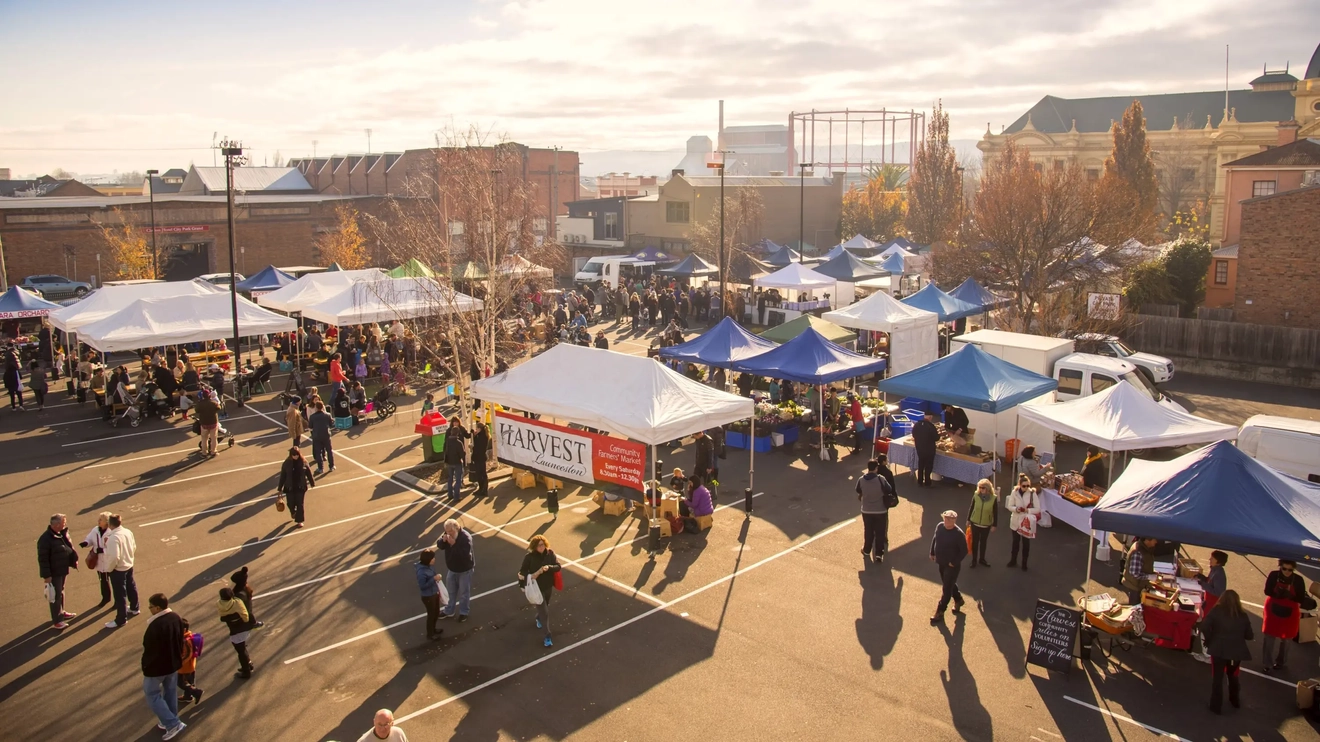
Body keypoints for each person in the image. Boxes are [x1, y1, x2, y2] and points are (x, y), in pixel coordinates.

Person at [141, 593, 187, 739]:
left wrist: (146, 666)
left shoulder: (155, 625)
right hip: (173, 663)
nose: (149, 609)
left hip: (157, 667)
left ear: (158, 608)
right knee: (170, 691)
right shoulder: (176, 617)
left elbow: (149, 648)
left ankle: (172, 723)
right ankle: (169, 718)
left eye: (151, 607)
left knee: (152, 694)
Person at [1201, 589, 1252, 714]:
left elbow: (1204, 626)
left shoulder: (1216, 611)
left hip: (1219, 649)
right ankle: (1235, 700)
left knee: (1217, 678)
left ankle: (1215, 706)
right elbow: (1249, 635)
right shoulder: (1242, 615)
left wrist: (1210, 638)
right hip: (1236, 651)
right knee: (1233, 675)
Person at [518, 535, 563, 648]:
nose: (541, 547)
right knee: (545, 612)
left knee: (545, 606)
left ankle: (538, 617)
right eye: (539, 545)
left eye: (543, 544)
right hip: (536, 588)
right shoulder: (529, 557)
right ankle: (547, 636)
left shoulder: (550, 553)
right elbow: (522, 571)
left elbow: (558, 566)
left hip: (548, 587)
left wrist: (549, 567)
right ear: (534, 546)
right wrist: (532, 576)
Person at [1262, 560, 1306, 672]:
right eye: (1284, 569)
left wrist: (1290, 596)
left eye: (1290, 570)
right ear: (1280, 567)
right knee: (1269, 638)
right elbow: (1267, 591)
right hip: (1272, 609)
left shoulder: (1298, 580)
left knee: (1286, 639)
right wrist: (1277, 594)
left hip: (1290, 612)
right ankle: (1267, 664)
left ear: (1293, 569)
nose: (1287, 572)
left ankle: (1281, 662)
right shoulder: (1273, 575)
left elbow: (1301, 598)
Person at [38, 513, 79, 630]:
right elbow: (43, 559)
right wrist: (46, 576)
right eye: (63, 523)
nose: (65, 524)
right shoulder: (45, 539)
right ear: (56, 525)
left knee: (60, 592)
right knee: (55, 596)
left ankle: (61, 612)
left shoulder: (61, 533)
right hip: (54, 572)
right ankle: (57, 620)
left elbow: (68, 547)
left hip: (62, 569)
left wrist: (73, 559)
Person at [929, 510, 968, 624]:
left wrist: (954, 562)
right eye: (945, 518)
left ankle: (940, 611)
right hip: (941, 562)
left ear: (954, 520)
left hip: (952, 566)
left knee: (946, 589)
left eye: (950, 519)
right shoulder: (940, 526)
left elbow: (964, 551)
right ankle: (959, 599)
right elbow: (935, 538)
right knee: (948, 584)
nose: (947, 520)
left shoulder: (959, 534)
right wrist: (932, 552)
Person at [103, 513, 139, 629]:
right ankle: (134, 608)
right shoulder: (128, 532)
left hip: (118, 570)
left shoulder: (113, 538)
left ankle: (121, 619)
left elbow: (114, 557)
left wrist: (108, 569)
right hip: (128, 565)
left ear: (110, 524)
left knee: (120, 594)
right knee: (131, 586)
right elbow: (133, 546)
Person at [436, 519, 475, 622]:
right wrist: (442, 540)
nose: (448, 534)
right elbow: (440, 545)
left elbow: (464, 555)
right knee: (451, 592)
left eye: (450, 532)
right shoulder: (448, 533)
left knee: (464, 593)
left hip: (464, 570)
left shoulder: (466, 538)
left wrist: (453, 545)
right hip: (452, 569)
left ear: (456, 528)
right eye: (446, 531)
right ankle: (449, 610)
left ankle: (464, 612)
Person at [856, 459, 893, 562]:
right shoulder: (881, 479)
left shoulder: (861, 479)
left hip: (866, 510)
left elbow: (858, 490)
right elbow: (889, 489)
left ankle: (867, 550)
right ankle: (879, 554)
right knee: (880, 532)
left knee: (868, 530)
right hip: (880, 510)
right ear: (876, 468)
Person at [217, 587, 255, 679]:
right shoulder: (237, 602)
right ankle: (247, 665)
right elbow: (245, 615)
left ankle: (246, 670)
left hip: (233, 629)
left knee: (240, 650)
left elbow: (222, 616)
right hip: (242, 627)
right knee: (241, 649)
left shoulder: (219, 604)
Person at [79, 511, 114, 608]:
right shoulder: (95, 529)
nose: (98, 521)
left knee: (114, 582)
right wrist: (86, 543)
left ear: (106, 522)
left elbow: (114, 548)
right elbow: (90, 539)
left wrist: (103, 550)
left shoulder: (111, 532)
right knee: (103, 580)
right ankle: (106, 598)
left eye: (101, 520)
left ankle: (117, 601)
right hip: (99, 561)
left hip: (109, 561)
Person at [1005, 474, 1040, 570]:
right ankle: (1013, 560)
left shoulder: (1032, 493)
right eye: (1024, 486)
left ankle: (1024, 563)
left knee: (1026, 544)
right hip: (1016, 521)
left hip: (1026, 522)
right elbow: (1009, 506)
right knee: (1015, 542)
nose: (1026, 488)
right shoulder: (1014, 493)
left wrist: (1027, 510)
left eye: (1028, 486)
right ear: (1020, 485)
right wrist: (1016, 509)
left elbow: (1037, 509)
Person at [277, 446, 316, 528]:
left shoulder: (303, 462)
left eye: (297, 455)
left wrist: (312, 482)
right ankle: (293, 512)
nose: (295, 456)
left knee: (300, 504)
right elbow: (283, 476)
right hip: (289, 486)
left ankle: (300, 520)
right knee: (290, 503)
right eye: (294, 455)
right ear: (290, 455)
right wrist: (279, 488)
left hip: (300, 487)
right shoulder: (286, 463)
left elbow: (308, 472)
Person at [966, 479, 998, 568]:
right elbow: (971, 507)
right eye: (979, 487)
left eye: (983, 488)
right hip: (975, 522)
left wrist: (994, 525)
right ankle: (974, 560)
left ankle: (982, 559)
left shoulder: (993, 498)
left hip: (986, 524)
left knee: (983, 542)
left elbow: (995, 512)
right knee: (975, 542)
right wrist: (968, 519)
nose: (981, 489)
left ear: (988, 488)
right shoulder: (976, 495)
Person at [416, 549, 445, 642]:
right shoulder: (421, 572)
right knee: (431, 614)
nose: (434, 559)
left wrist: (436, 577)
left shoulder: (430, 567)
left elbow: (433, 575)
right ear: (427, 560)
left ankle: (433, 629)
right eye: (432, 558)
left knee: (436, 613)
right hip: (428, 596)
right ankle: (430, 634)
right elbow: (422, 586)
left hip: (434, 593)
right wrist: (433, 579)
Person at [1120, 537, 1159, 605]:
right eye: (1154, 539)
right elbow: (1134, 573)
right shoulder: (1137, 552)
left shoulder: (1144, 548)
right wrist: (1149, 576)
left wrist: (1152, 572)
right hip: (1135, 586)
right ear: (1147, 540)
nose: (1156, 541)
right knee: (1135, 607)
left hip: (1139, 584)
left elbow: (1143, 565)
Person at [443, 419, 469, 502]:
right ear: (458, 433)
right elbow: (462, 454)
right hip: (457, 462)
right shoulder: (458, 443)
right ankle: (456, 496)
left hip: (449, 462)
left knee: (450, 478)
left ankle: (450, 494)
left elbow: (445, 450)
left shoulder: (448, 441)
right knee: (458, 479)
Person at [912, 411, 939, 487]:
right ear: (930, 417)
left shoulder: (917, 425)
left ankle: (920, 481)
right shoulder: (931, 426)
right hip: (929, 450)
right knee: (928, 465)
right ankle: (927, 481)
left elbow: (914, 435)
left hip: (919, 448)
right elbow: (936, 438)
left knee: (921, 464)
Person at [308, 401, 335, 475]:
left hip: (317, 436)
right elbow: (331, 424)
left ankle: (320, 468)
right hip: (326, 435)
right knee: (329, 451)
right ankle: (331, 466)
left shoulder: (312, 416)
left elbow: (310, 427)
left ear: (316, 407)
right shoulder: (328, 415)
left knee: (318, 452)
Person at [194, 390, 221, 458]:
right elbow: (219, 408)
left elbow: (196, 410)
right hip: (213, 423)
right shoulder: (213, 403)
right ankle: (213, 451)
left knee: (204, 439)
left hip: (204, 423)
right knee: (214, 438)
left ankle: (204, 453)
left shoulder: (200, 403)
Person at [470, 418, 490, 498]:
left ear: (480, 429)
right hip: (480, 457)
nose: (476, 430)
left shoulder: (481, 437)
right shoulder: (483, 435)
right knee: (480, 473)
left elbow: (477, 446)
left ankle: (483, 489)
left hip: (479, 457)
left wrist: (474, 436)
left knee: (481, 474)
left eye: (477, 428)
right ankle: (482, 488)